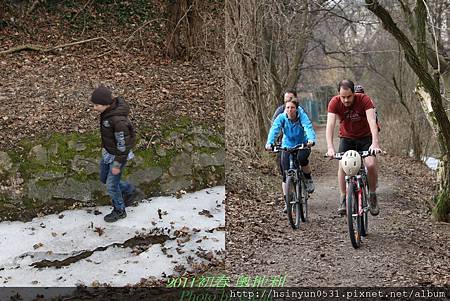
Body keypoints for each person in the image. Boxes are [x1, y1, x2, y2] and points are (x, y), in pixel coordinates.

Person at [325, 80, 382, 216]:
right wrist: (330, 148)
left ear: (354, 93)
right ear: (338, 94)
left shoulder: (364, 100)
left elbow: (372, 122)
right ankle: (343, 197)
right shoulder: (334, 102)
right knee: (342, 166)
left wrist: (375, 143)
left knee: (371, 164)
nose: (345, 100)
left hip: (365, 137)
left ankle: (372, 195)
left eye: (348, 97)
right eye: (342, 97)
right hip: (347, 138)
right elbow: (330, 125)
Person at [90, 85, 144, 222]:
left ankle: (120, 210)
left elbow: (123, 145)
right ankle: (130, 191)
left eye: (96, 105)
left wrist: (117, 164)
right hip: (108, 153)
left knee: (111, 185)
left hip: (118, 157)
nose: (94, 108)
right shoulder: (108, 114)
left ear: (105, 104)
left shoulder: (118, 121)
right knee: (103, 178)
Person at [265, 97, 317, 212]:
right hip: (287, 145)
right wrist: (269, 143)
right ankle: (288, 200)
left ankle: (308, 179)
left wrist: (311, 140)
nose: (290, 110)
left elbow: (308, 127)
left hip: (302, 144)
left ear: (296, 108)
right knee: (285, 171)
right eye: (288, 107)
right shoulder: (282, 117)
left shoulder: (302, 116)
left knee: (302, 158)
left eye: (292, 107)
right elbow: (274, 129)